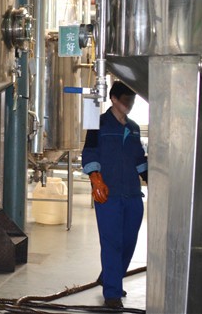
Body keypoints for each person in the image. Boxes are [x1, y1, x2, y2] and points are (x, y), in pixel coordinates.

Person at [81, 81, 148, 309]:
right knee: (112, 243)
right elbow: (89, 151)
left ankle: (110, 276)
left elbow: (139, 160)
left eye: (132, 100)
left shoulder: (134, 128)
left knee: (129, 242)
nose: (130, 104)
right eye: (126, 99)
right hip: (108, 195)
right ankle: (112, 293)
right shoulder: (98, 124)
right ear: (113, 99)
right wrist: (95, 177)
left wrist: (152, 179)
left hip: (133, 194)